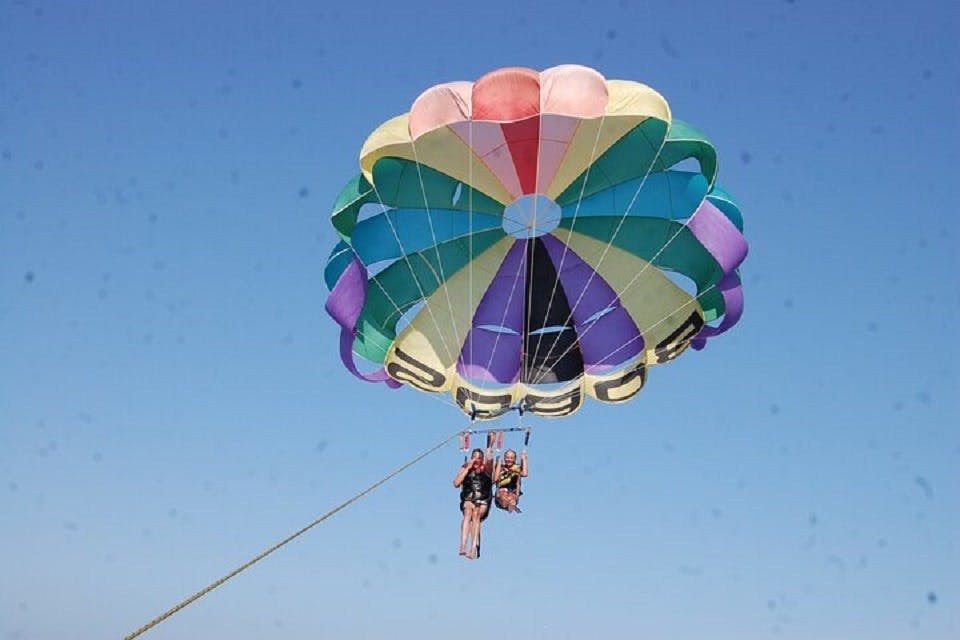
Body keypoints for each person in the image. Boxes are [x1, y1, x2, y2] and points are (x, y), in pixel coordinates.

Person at [453, 442, 493, 559]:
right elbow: (456, 483)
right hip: (469, 498)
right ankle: (463, 545)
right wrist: (468, 468)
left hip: (482, 500)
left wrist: (490, 446)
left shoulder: (486, 469)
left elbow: (490, 460)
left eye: (479, 458)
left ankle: (474, 546)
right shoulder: (465, 467)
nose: (477, 460)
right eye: (474, 457)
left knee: (476, 514)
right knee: (468, 512)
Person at [493, 448, 528, 513]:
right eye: (507, 457)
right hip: (501, 492)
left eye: (511, 458)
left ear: (514, 459)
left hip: (513, 491)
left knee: (512, 497)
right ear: (504, 458)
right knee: (504, 495)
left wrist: (524, 460)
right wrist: (498, 465)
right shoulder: (501, 467)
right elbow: (495, 479)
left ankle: (511, 504)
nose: (509, 460)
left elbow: (525, 474)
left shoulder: (517, 468)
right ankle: (507, 504)